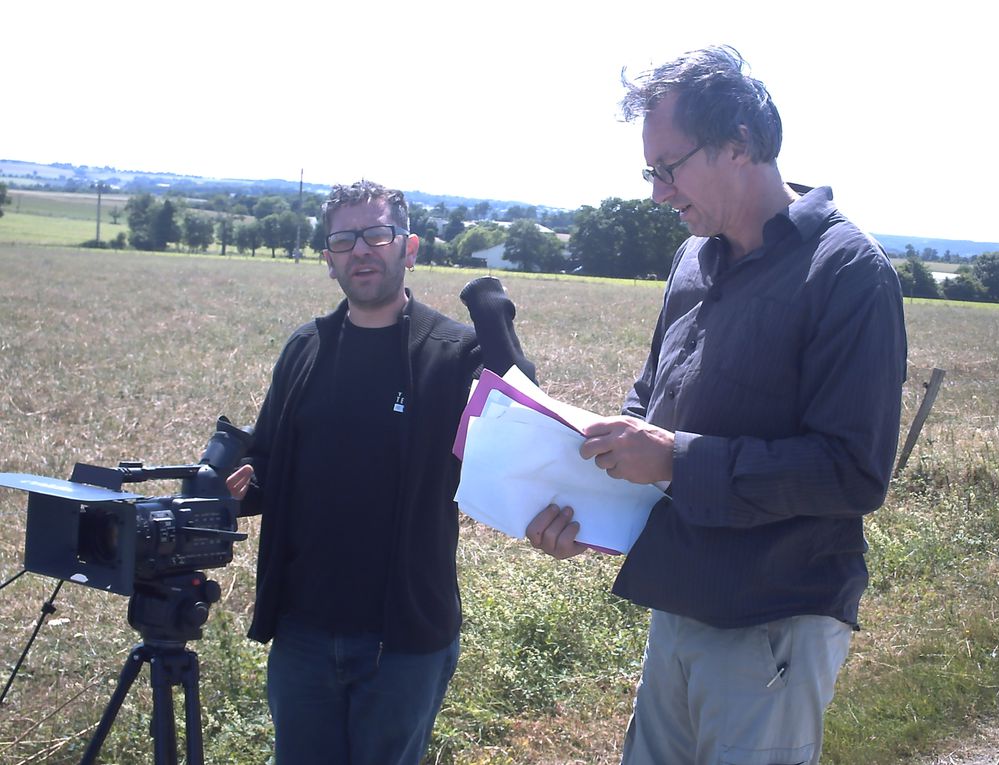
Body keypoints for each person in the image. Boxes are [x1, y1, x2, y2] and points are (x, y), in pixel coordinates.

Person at [526, 45, 907, 765]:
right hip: (680, 601)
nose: (657, 194)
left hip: (773, 615)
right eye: (651, 171)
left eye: (668, 168)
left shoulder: (848, 272)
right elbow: (652, 400)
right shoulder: (694, 258)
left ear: (739, 144)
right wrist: (588, 502)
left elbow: (853, 472)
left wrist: (675, 457)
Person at [227, 180, 533, 765]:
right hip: (303, 630)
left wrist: (491, 308)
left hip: (403, 638)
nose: (361, 250)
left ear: (408, 248)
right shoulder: (305, 348)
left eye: (377, 234)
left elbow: (523, 414)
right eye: (344, 240)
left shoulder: (452, 352)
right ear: (329, 259)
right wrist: (234, 487)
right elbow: (267, 461)